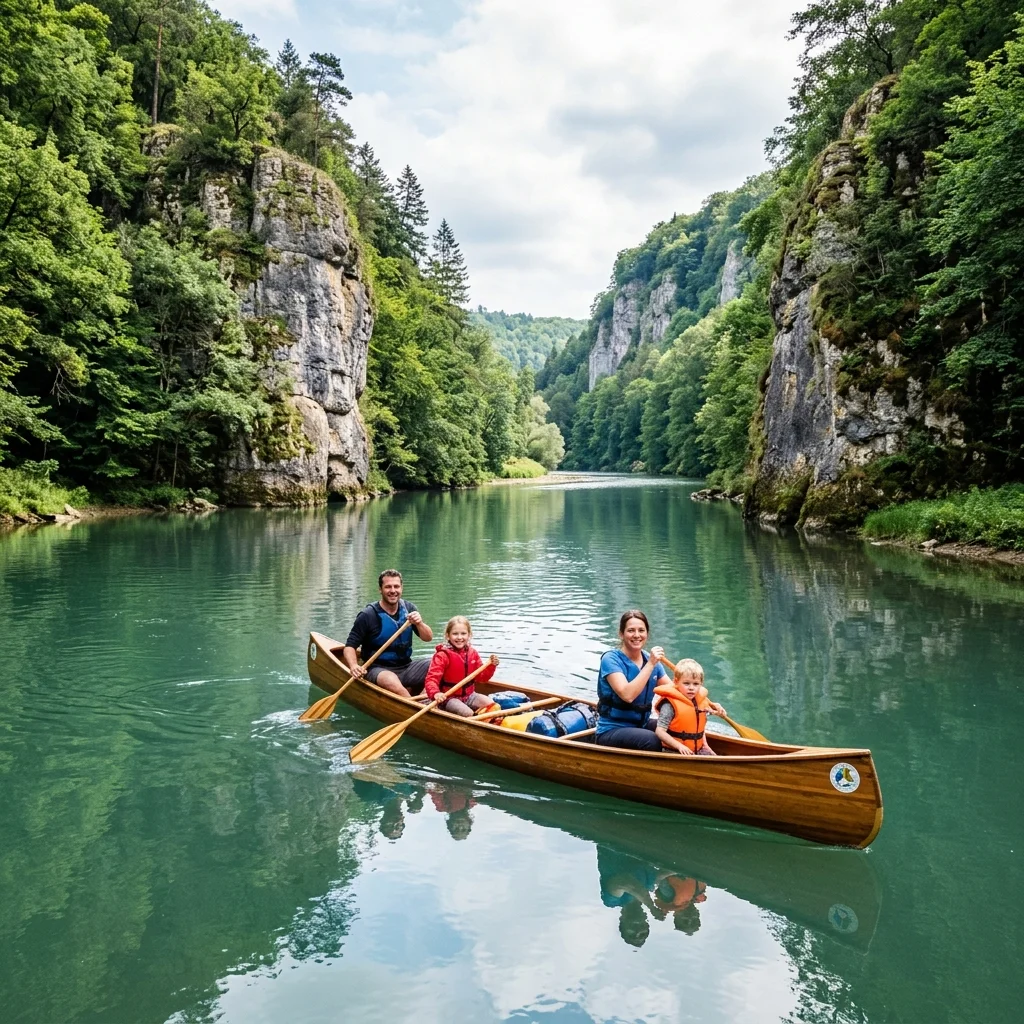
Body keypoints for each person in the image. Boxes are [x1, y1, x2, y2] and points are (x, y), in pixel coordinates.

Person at [343, 569, 434, 697]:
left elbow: (428, 638)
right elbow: (350, 646)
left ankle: (426, 698)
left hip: (406, 666)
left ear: (401, 588)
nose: (393, 590)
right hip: (378, 669)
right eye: (388, 587)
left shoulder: (409, 609)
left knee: (437, 664)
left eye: (396, 586)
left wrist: (419, 623)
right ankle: (412, 704)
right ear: (380, 589)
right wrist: (353, 666)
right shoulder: (368, 615)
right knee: (389, 679)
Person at [595, 610, 668, 751]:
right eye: (631, 630)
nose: (636, 635)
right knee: (651, 739)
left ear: (647, 634)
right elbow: (627, 695)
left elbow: (673, 691)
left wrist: (703, 702)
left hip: (641, 724)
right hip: (611, 729)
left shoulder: (651, 660)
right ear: (621, 634)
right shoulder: (610, 659)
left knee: (674, 728)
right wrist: (651, 664)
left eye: (641, 630)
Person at [424, 616, 500, 717]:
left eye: (463, 633)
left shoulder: (473, 653)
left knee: (493, 706)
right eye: (455, 634)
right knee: (467, 713)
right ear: (447, 636)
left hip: (470, 695)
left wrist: (491, 666)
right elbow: (431, 679)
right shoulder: (442, 655)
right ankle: (474, 718)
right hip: (448, 698)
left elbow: (482, 678)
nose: (459, 637)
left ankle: (487, 720)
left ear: (469, 635)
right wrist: (436, 693)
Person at [653, 658, 719, 756]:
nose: (691, 688)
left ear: (701, 684)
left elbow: (698, 726)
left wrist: (705, 745)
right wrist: (680, 746)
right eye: (686, 683)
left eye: (696, 684)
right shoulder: (669, 705)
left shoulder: (701, 701)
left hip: (697, 748)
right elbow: (660, 732)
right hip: (673, 750)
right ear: (676, 682)